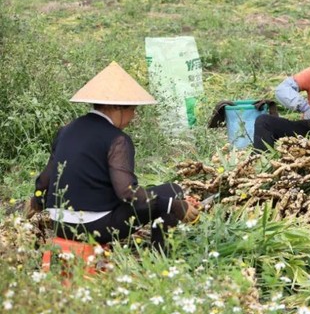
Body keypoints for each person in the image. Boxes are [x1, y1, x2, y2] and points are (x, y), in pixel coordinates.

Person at [27, 62, 200, 250]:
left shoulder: (66, 130)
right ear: (116, 107)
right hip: (94, 229)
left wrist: (37, 200)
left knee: (157, 197)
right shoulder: (118, 140)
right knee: (171, 191)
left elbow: (43, 182)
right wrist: (172, 205)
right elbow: (127, 193)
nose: (133, 116)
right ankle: (161, 256)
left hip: (60, 225)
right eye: (132, 109)